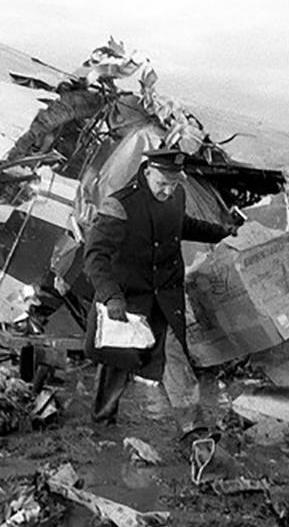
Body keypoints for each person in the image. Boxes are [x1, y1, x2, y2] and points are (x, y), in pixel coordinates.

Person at [82, 148, 235, 427]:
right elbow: (95, 257)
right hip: (128, 300)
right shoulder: (119, 206)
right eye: (161, 183)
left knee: (173, 358)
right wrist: (111, 295)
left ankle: (194, 429)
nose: (167, 191)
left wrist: (222, 232)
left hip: (164, 298)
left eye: (173, 183)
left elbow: (180, 226)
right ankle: (102, 421)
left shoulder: (177, 195)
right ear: (147, 172)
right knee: (118, 362)